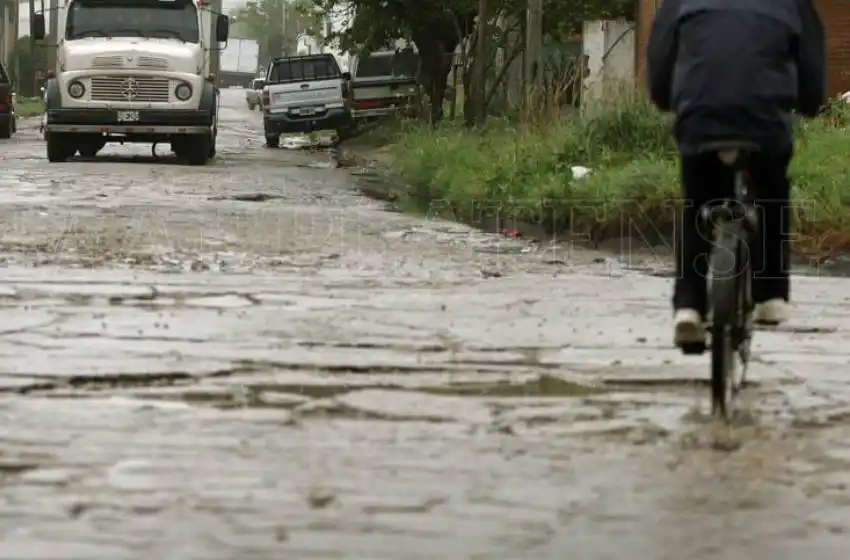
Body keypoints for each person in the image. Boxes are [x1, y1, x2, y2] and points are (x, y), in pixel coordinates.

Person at [646, 0, 827, 349]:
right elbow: (812, 64)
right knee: (771, 191)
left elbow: (659, 59)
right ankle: (771, 294)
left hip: (700, 113)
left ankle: (688, 306)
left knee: (698, 201)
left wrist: (666, 99)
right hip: (764, 118)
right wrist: (809, 104)